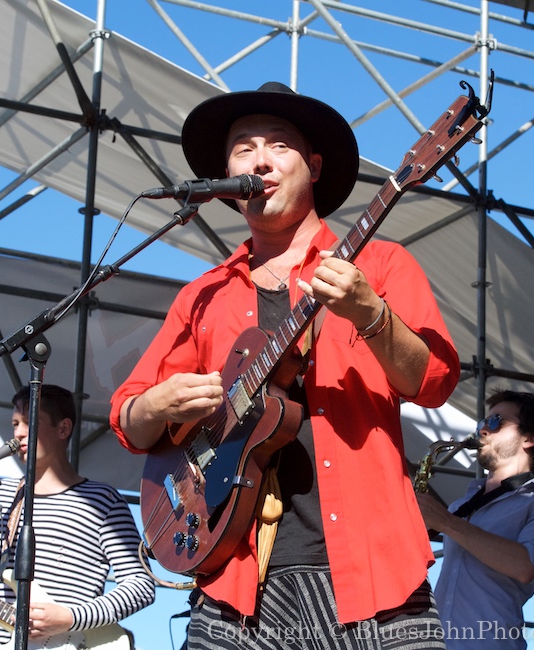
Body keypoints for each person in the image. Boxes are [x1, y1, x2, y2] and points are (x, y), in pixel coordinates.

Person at [110, 81, 459, 648]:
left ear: (315, 166)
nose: (260, 159)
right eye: (243, 149)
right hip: (232, 581)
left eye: (278, 145)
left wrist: (371, 314)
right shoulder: (203, 295)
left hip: (374, 581)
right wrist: (151, 405)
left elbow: (433, 381)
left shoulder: (382, 264)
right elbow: (129, 420)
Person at [0, 384, 155, 648]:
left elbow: (141, 585)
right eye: (14, 424)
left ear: (63, 429)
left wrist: (70, 617)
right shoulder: (1, 496)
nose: (18, 433)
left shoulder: (103, 500)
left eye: (30, 422)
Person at [417, 389, 534, 649]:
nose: (483, 431)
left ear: (530, 438)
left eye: (495, 422)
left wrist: (447, 523)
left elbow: (526, 567)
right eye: (482, 423)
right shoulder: (460, 506)